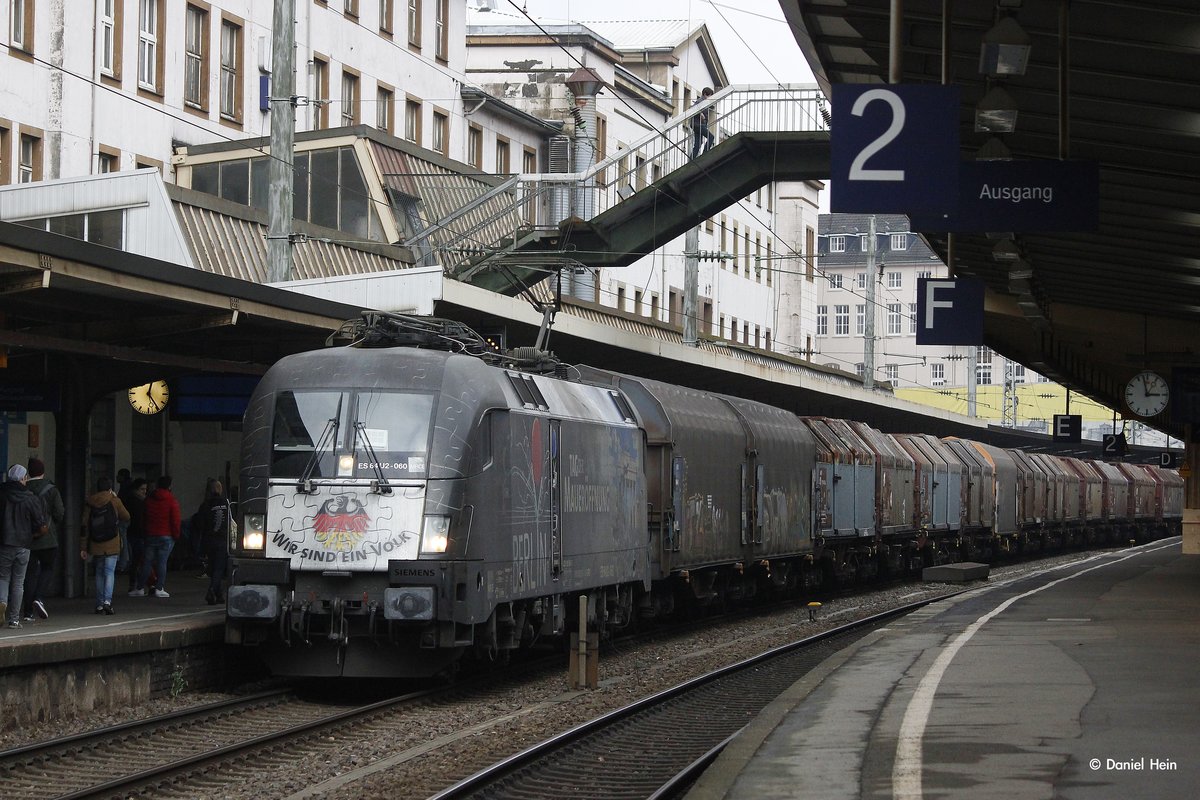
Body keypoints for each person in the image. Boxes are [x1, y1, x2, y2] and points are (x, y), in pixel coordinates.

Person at [0, 464, 48, 629]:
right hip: (24, 544)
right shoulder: (30, 498)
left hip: (5, 543)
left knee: (3, 577)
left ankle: (2, 602)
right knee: (18, 581)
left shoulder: (2, 494)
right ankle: (14, 619)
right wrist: (33, 535)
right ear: (22, 478)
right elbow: (41, 525)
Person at [22, 458, 65, 621]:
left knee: (29, 575)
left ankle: (27, 613)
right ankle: (39, 598)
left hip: (27, 539)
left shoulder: (23, 488)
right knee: (47, 568)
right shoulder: (51, 490)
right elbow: (59, 513)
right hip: (48, 538)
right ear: (43, 472)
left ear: (28, 473)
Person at [81, 476, 131, 615]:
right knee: (109, 572)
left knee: (99, 573)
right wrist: (115, 499)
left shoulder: (90, 502)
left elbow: (84, 526)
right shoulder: (114, 500)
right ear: (110, 489)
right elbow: (126, 516)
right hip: (112, 542)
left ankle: (99, 604)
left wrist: (83, 547)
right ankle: (107, 602)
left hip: (96, 543)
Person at [131, 475, 180, 598]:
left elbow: (144, 518)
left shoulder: (149, 500)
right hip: (166, 535)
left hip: (150, 535)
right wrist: (176, 535)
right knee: (162, 562)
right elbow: (175, 520)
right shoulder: (171, 500)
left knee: (147, 562)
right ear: (169, 486)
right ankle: (159, 588)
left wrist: (145, 531)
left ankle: (140, 588)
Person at [196, 478, 232, 605]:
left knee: (213, 567)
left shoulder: (205, 505)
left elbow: (199, 525)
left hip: (209, 540)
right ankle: (212, 590)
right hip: (223, 540)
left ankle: (219, 594)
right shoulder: (227, 504)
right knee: (219, 568)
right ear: (220, 489)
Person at [119, 478, 149, 593]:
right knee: (138, 560)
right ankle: (137, 585)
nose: (144, 492)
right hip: (137, 534)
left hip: (131, 533)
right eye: (142, 489)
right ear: (136, 489)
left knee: (135, 561)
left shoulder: (128, 500)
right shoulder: (138, 503)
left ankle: (134, 584)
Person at [691, 87, 715, 159]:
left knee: (698, 144)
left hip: (697, 124)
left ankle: (691, 159)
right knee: (711, 137)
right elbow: (693, 109)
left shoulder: (704, 102)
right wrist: (700, 114)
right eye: (709, 95)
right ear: (705, 94)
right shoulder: (701, 101)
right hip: (698, 124)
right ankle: (705, 154)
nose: (710, 97)